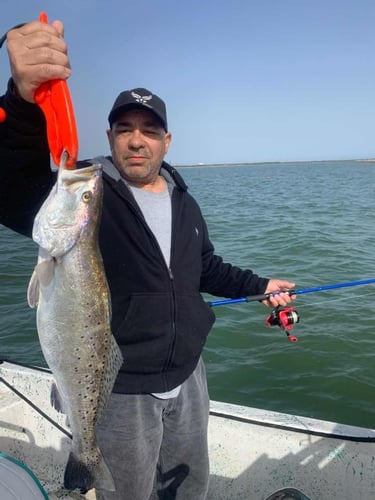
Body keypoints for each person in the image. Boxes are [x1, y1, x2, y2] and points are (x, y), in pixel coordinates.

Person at [0, 18, 296, 500]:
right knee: (128, 492)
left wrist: (260, 285)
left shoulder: (184, 198)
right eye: (125, 130)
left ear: (167, 140)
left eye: (149, 130)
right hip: (120, 389)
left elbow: (207, 268)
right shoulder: (88, 191)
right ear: (111, 136)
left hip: (188, 375)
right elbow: (11, 186)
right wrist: (22, 99)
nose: (137, 140)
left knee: (189, 484)